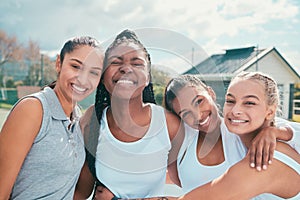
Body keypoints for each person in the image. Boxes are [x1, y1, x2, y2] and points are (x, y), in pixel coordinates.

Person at [74, 29, 183, 199]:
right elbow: (80, 192)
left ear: (147, 77)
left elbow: (199, 187)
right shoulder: (91, 120)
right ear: (103, 76)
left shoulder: (169, 124)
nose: (126, 68)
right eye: (115, 62)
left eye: (137, 63)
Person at [0, 36, 104, 199]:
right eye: (76, 66)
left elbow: (75, 193)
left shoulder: (77, 121)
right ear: (58, 63)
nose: (83, 78)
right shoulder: (33, 109)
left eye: (93, 72)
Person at [168, 71, 299, 200]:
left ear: (270, 112)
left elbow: (215, 194)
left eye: (249, 103)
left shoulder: (268, 156)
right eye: (230, 101)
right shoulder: (236, 140)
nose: (235, 111)